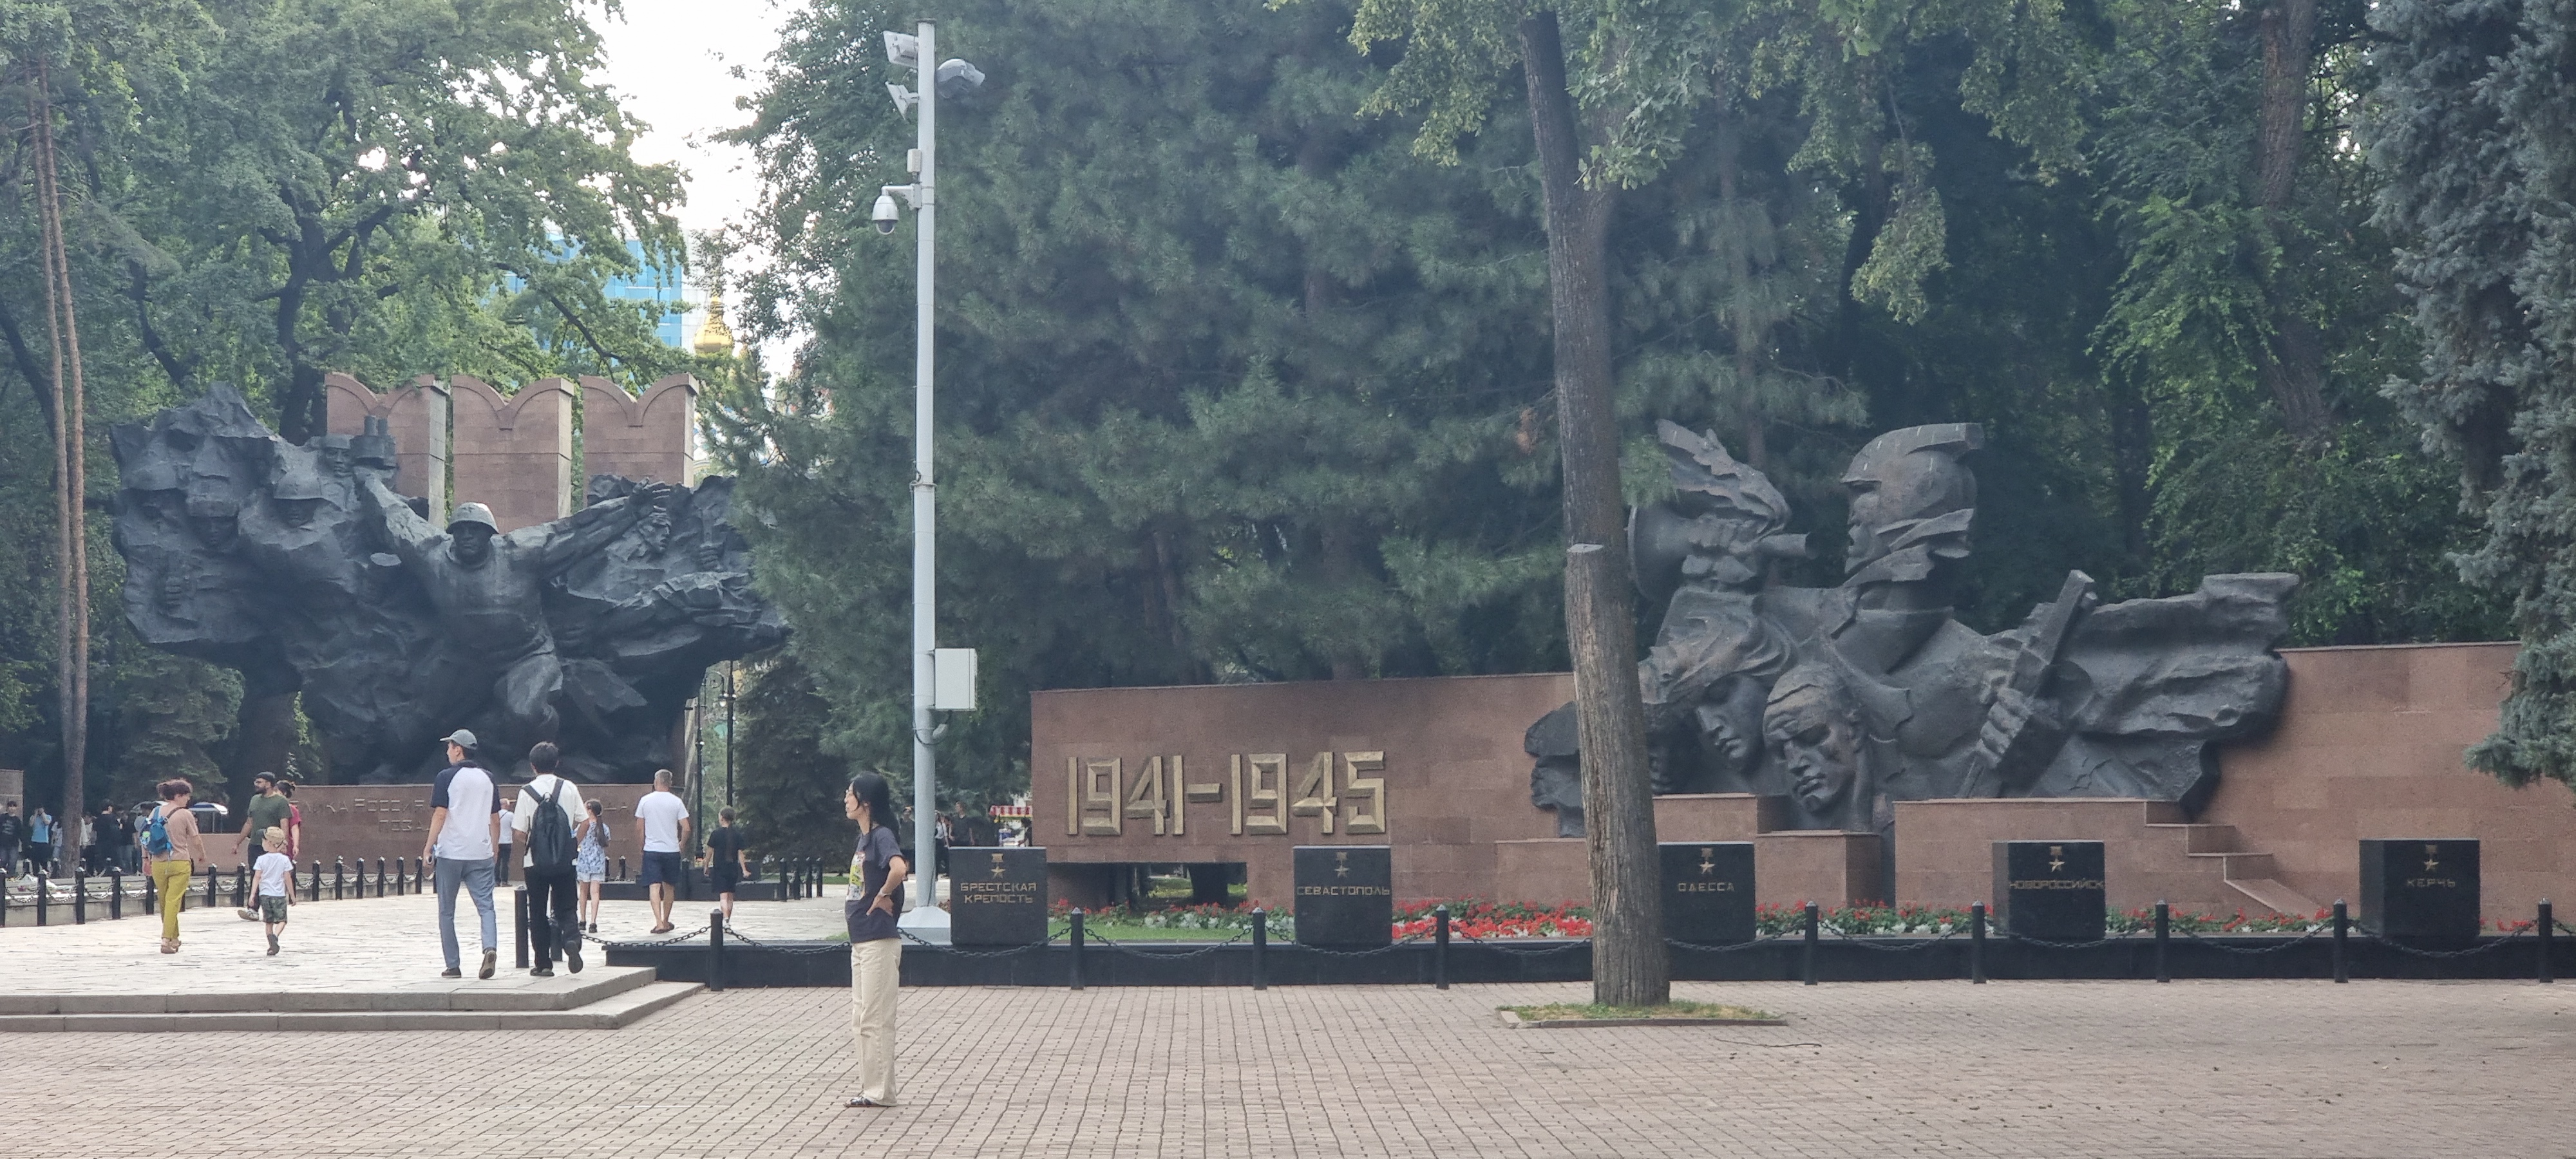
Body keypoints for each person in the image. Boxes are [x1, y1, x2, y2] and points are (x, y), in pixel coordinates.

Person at [843, 772, 910, 1109]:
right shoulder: (864, 839)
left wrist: (884, 894)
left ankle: (880, 1092)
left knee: (875, 1019)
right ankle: (872, 1088)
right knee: (861, 1020)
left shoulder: (882, 835)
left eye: (850, 793)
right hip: (862, 940)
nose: (845, 799)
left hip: (878, 941)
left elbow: (899, 868)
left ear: (866, 802)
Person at [423, 728, 502, 979]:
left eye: (449, 747)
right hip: (481, 852)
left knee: (447, 911)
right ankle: (489, 947)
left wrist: (428, 846)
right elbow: (495, 818)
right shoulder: (488, 778)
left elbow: (440, 814)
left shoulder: (446, 777)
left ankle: (453, 965)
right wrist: (495, 847)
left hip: (451, 852)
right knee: (486, 906)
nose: (447, 751)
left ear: (458, 749)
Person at [509, 742, 584, 977]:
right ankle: (571, 939)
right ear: (557, 763)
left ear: (532, 766)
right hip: (565, 861)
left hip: (534, 863)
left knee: (538, 911)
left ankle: (543, 964)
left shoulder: (526, 791)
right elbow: (584, 821)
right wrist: (572, 844)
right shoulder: (568, 787)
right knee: (567, 906)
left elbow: (519, 831)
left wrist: (534, 844)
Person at [144, 780, 204, 953]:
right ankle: (165, 939)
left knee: (165, 901)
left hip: (158, 862)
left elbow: (145, 835)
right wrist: (202, 854)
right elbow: (195, 838)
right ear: (178, 796)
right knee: (173, 901)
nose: (188, 799)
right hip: (179, 861)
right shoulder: (185, 814)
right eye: (186, 796)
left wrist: (145, 858)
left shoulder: (155, 812)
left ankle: (174, 939)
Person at [634, 769, 691, 934]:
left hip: (652, 849)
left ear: (655, 781)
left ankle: (658, 922)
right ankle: (666, 920)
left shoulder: (645, 801)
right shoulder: (676, 802)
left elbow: (639, 828)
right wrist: (681, 844)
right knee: (669, 887)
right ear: (670, 783)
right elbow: (686, 828)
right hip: (671, 850)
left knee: (654, 886)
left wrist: (642, 845)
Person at [234, 774, 290, 919]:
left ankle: (272, 909)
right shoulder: (254, 800)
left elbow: (284, 824)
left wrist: (283, 843)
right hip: (255, 844)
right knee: (256, 876)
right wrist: (238, 842)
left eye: (259, 782)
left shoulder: (280, 802)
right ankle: (253, 909)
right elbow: (249, 823)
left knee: (272, 877)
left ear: (269, 784)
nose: (256, 784)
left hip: (272, 846)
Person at [251, 825, 296, 956]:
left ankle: (271, 946)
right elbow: (287, 878)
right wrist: (292, 896)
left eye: (264, 840)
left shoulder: (261, 859)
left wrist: (252, 895)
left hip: (264, 895)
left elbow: (257, 877)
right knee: (282, 920)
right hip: (279, 895)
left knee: (268, 922)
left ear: (269, 843)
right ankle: (275, 937)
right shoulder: (284, 859)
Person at [702, 807, 749, 921]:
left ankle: (725, 918)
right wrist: (744, 869)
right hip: (732, 868)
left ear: (722, 818)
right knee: (730, 897)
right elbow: (740, 854)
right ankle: (728, 919)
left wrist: (706, 865)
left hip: (720, 868)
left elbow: (709, 852)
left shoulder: (716, 834)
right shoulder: (737, 834)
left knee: (723, 896)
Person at [575, 798, 609, 933]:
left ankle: (582, 920)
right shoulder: (603, 827)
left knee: (583, 892)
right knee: (595, 893)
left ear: (590, 811)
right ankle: (593, 922)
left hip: (584, 861)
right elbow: (607, 841)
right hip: (598, 861)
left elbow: (575, 838)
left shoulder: (584, 826)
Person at [495, 793, 516, 886]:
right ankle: (505, 881)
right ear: (506, 805)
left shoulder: (495, 814)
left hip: (497, 841)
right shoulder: (510, 815)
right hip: (507, 841)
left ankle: (496, 881)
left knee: (497, 862)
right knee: (505, 862)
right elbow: (514, 826)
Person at [26, 806, 53, 874]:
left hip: (44, 841)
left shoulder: (48, 816)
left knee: (44, 860)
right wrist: (35, 814)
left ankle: (45, 873)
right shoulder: (33, 817)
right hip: (35, 841)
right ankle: (35, 873)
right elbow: (30, 824)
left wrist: (42, 814)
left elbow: (47, 822)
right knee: (35, 860)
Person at [0, 800, 20, 875]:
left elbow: (20, 833)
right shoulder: (2, 817)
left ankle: (11, 876)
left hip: (13, 844)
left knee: (13, 861)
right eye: (10, 806)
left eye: (14, 806)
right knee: (3, 860)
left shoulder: (17, 820)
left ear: (16, 808)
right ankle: (2, 876)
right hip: (3, 843)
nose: (12, 808)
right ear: (7, 808)